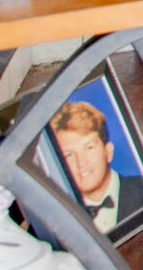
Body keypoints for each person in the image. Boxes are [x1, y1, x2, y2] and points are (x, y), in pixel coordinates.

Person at [47, 99, 133, 231]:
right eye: (69, 155)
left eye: (89, 148)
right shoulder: (56, 219)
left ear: (108, 152)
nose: (81, 163)